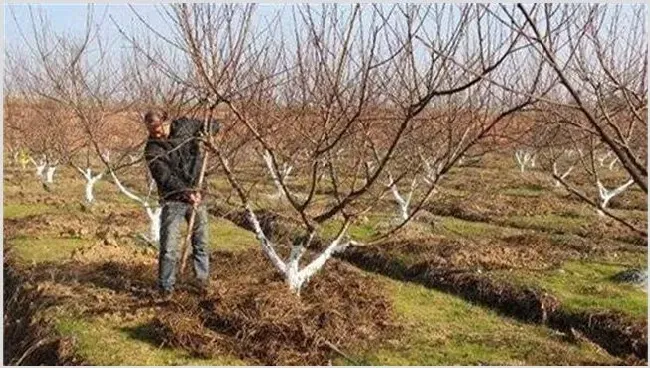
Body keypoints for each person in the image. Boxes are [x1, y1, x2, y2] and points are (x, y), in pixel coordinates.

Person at [143, 110, 220, 300]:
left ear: (166, 121)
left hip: (198, 192)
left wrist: (209, 135)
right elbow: (164, 177)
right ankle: (166, 288)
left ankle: (201, 282)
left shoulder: (185, 127)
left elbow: (212, 124)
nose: (156, 134)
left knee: (201, 243)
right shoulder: (152, 149)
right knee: (169, 247)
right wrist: (186, 193)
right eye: (151, 131)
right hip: (173, 199)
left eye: (158, 129)